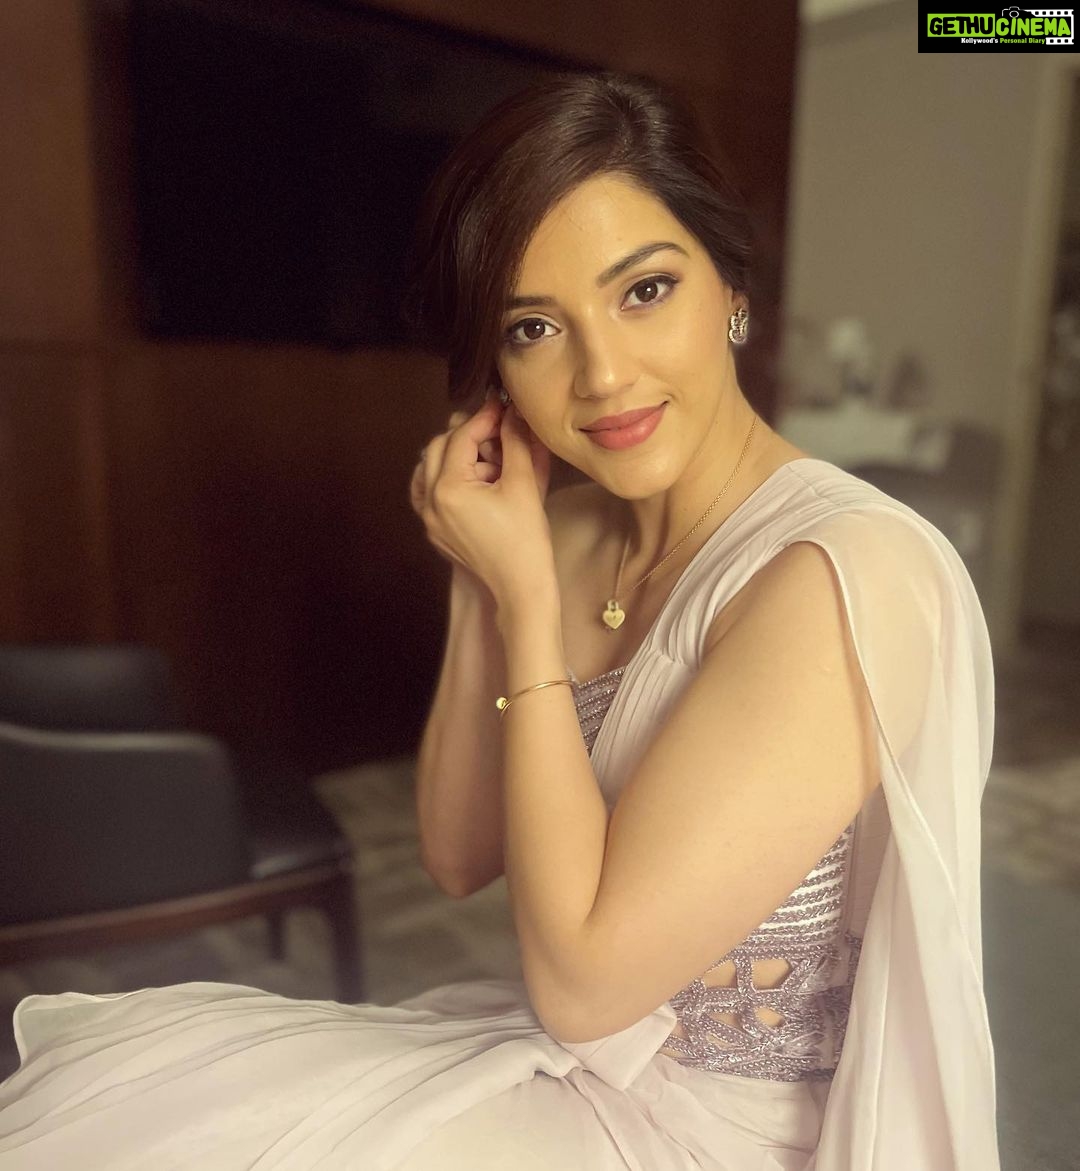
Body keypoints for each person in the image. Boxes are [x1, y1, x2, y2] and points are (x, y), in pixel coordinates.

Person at [0, 71, 999, 1170]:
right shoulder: (560, 532)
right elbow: (458, 849)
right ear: (497, 376)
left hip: (725, 1135)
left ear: (731, 287)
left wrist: (524, 601)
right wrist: (484, 573)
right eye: (535, 327)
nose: (602, 373)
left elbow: (584, 983)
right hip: (565, 1073)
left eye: (645, 290)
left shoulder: (839, 574)